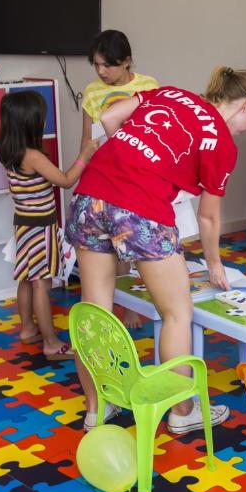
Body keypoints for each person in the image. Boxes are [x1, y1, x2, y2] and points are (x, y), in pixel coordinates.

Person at [66, 66, 246, 432]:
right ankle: (182, 411)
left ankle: (97, 409)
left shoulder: (172, 93)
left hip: (90, 195)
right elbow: (208, 217)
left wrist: (131, 163)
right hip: (140, 209)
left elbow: (109, 117)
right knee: (177, 313)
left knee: (95, 311)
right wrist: (214, 264)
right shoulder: (221, 142)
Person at [0, 91, 98, 359]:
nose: (44, 122)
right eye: (41, 118)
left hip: (23, 224)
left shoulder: (8, 148)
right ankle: (51, 343)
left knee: (27, 278)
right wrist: (84, 155)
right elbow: (65, 180)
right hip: (40, 227)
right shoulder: (33, 156)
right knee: (42, 283)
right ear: (30, 122)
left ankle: (28, 329)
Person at [81, 30, 160, 329]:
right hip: (105, 175)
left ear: (126, 61)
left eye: (108, 65)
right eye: (96, 64)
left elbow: (156, 132)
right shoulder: (92, 92)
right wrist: (84, 171)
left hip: (137, 176)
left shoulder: (148, 86)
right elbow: (87, 139)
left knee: (133, 243)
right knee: (108, 248)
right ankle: (115, 310)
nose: (101, 71)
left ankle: (132, 305)